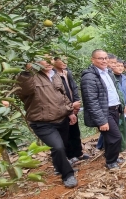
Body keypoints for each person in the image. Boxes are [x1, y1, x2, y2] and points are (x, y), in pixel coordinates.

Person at [17, 59, 79, 187]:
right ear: (34, 62)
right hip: (42, 122)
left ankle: (59, 167)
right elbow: (24, 90)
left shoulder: (55, 75)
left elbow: (63, 96)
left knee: (61, 147)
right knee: (58, 147)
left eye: (50, 58)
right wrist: (27, 71)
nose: (48, 62)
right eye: (43, 59)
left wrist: (70, 112)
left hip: (61, 118)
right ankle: (68, 175)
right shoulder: (30, 78)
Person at [81, 49, 124, 170]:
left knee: (110, 138)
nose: (104, 61)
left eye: (105, 58)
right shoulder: (89, 77)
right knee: (115, 137)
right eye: (100, 58)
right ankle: (110, 162)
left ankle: (113, 158)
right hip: (104, 112)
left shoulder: (108, 72)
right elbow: (91, 101)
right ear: (93, 60)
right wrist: (101, 120)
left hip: (114, 109)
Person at [52, 56, 89, 163]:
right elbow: (59, 95)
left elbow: (74, 88)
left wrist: (76, 103)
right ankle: (69, 155)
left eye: (66, 60)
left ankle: (78, 153)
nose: (65, 62)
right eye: (62, 60)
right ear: (54, 61)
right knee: (65, 132)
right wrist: (70, 106)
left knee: (75, 131)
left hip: (73, 107)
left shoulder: (67, 72)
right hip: (64, 108)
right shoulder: (53, 75)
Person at [112, 58, 126, 149]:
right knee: (116, 128)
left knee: (123, 127)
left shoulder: (125, 78)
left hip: (125, 107)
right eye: (117, 66)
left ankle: (123, 147)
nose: (120, 68)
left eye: (121, 66)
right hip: (116, 108)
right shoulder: (110, 78)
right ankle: (102, 147)